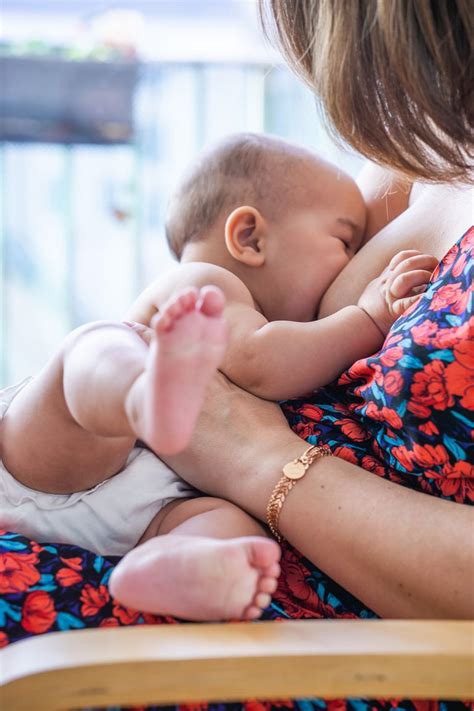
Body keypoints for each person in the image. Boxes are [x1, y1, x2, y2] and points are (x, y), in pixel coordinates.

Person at [120, 0, 473, 624]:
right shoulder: (423, 146)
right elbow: (263, 348)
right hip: (169, 513)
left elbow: (258, 372)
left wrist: (253, 458)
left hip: (324, 639)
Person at [0, 135, 434, 621]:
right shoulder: (206, 284)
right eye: (344, 241)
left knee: (231, 532)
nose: (351, 264)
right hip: (49, 462)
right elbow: (260, 363)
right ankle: (141, 395)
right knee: (99, 349)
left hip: (147, 507)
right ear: (249, 237)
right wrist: (367, 319)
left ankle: (172, 568)